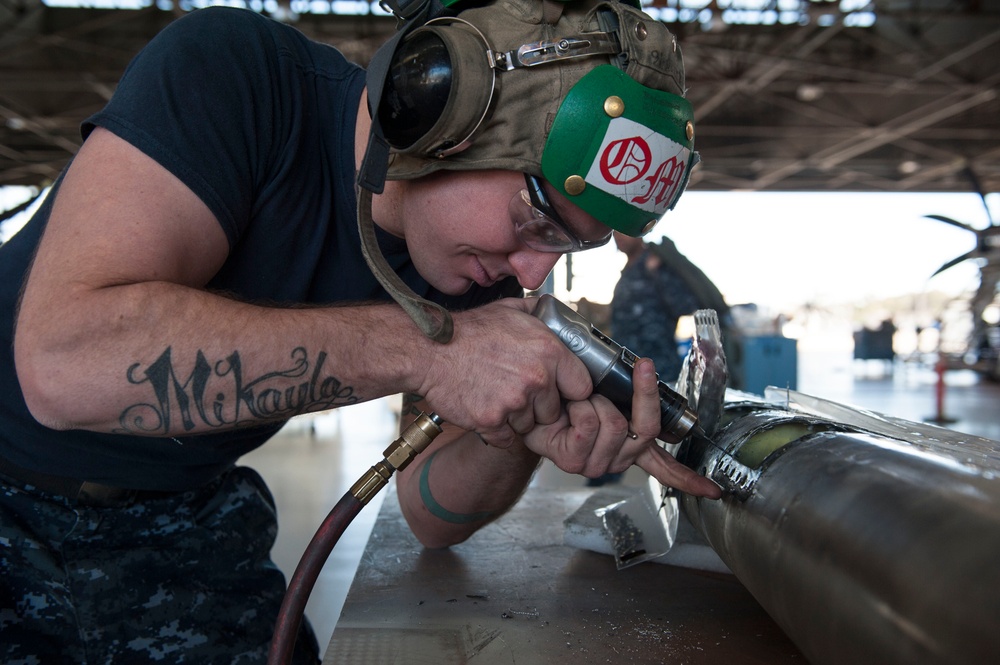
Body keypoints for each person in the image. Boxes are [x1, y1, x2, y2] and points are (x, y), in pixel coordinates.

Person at [0, 1, 720, 662]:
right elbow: (62, 362)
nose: (532, 275)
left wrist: (517, 429)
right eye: (534, 220)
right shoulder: (236, 78)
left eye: (566, 248)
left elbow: (431, 510)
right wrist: (427, 354)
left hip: (182, 510)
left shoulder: (475, 271)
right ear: (440, 114)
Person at [610, 231, 740, 385]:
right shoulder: (628, 271)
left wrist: (656, 274)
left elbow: (685, 305)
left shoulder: (657, 264)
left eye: (624, 232)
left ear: (639, 233)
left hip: (659, 370)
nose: (618, 236)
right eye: (615, 233)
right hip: (628, 369)